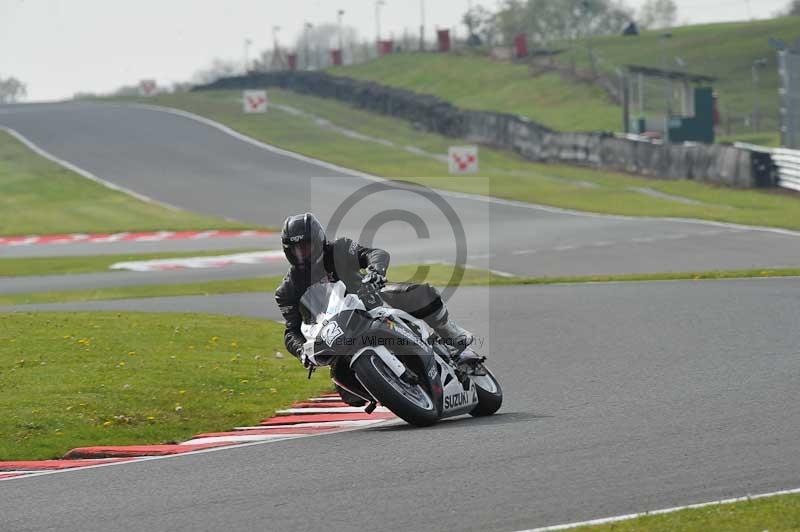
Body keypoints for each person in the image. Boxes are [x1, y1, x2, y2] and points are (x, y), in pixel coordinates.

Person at [275, 212, 475, 369]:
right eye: (296, 249)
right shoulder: (287, 290)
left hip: (370, 305)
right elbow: (292, 331)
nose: (302, 253)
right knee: (349, 394)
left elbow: (374, 254)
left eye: (307, 246)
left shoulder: (340, 249)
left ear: (318, 239)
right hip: (337, 335)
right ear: (288, 251)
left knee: (419, 294)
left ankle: (452, 337)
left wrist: (375, 272)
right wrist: (302, 351)